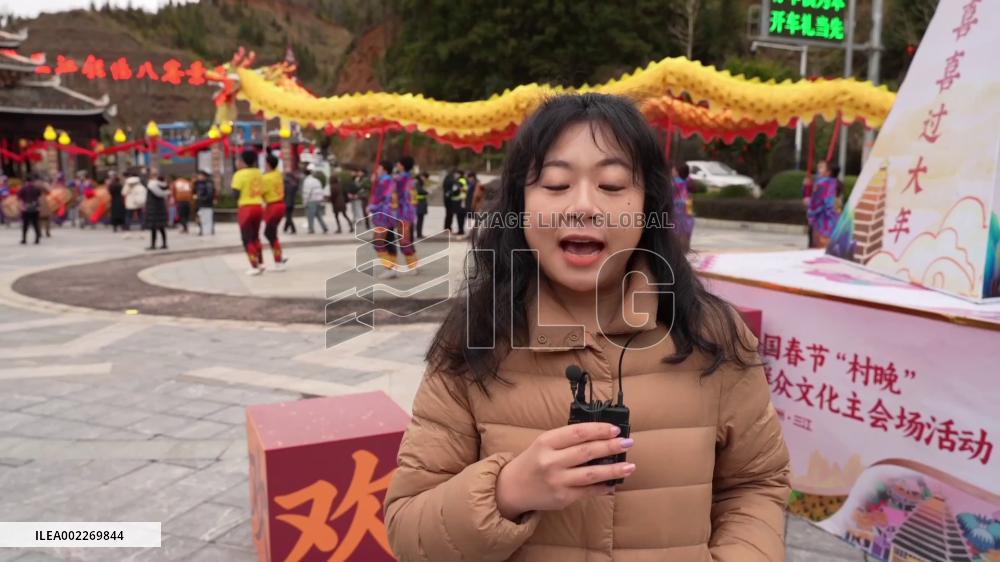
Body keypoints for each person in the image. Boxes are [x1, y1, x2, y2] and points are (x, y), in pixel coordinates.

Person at [384, 94, 790, 562]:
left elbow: (755, 484)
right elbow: (409, 528)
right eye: (556, 184)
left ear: (648, 205)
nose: (583, 206)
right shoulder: (474, 339)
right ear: (519, 204)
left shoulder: (713, 334)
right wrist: (508, 491)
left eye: (613, 185)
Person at [367, 160, 409, 279]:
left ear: (384, 169)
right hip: (390, 215)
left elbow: (380, 199)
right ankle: (392, 268)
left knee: (378, 242)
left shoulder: (384, 181)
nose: (376, 170)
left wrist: (371, 207)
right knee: (389, 241)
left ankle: (390, 267)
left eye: (378, 168)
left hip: (384, 216)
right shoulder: (388, 181)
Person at [232, 150, 266, 274]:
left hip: (246, 208)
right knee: (256, 236)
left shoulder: (239, 174)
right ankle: (261, 262)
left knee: (247, 239)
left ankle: (254, 266)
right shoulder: (259, 173)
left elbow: (235, 194)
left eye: (238, 160)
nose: (237, 162)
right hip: (258, 206)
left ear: (243, 162)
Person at [261, 154, 289, 271]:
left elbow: (261, 192)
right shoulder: (278, 174)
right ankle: (280, 256)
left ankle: (279, 261)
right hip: (280, 205)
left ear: (268, 164)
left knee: (269, 233)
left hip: (273, 206)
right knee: (272, 233)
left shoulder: (266, 178)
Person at [805, 161, 842, 249]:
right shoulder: (836, 183)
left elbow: (815, 205)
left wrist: (810, 216)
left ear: (828, 172)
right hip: (835, 221)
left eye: (821, 167)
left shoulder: (821, 184)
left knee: (818, 249)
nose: (818, 170)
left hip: (822, 223)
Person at [671, 164, 695, 253]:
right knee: (686, 231)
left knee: (676, 231)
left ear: (678, 172)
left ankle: (677, 252)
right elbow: (689, 197)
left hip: (677, 209)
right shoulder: (688, 181)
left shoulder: (675, 183)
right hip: (687, 208)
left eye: (673, 170)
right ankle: (685, 251)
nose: (672, 172)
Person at [143, 174, 169, 250]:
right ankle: (164, 244)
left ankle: (153, 245)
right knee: (162, 227)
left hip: (153, 209)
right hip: (161, 208)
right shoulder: (165, 186)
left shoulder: (151, 186)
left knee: (153, 228)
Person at [301, 166, 329, 234]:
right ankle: (324, 227)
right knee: (319, 215)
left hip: (311, 200)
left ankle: (311, 229)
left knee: (310, 216)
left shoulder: (306, 181)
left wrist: (305, 202)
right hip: (318, 200)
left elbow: (306, 193)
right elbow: (321, 190)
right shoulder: (316, 180)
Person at [18, 173, 43, 244]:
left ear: (26, 181)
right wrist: (39, 207)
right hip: (35, 208)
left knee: (25, 225)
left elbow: (20, 199)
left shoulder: (23, 189)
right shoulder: (36, 188)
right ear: (33, 181)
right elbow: (39, 199)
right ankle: (37, 239)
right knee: (36, 224)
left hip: (26, 208)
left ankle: (24, 239)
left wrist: (21, 207)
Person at [193, 170, 215, 236]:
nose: (199, 177)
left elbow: (210, 194)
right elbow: (194, 192)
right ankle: (201, 230)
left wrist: (201, 198)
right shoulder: (197, 183)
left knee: (207, 218)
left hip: (206, 204)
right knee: (199, 217)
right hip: (200, 204)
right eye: (198, 175)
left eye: (200, 175)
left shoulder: (208, 183)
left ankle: (208, 231)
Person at [282, 169, 300, 234]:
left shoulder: (285, 184)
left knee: (288, 216)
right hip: (292, 202)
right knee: (289, 215)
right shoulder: (294, 183)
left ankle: (293, 229)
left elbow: (283, 194)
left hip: (287, 202)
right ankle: (285, 228)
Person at [414, 171, 429, 238]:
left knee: (420, 219)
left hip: (421, 203)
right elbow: (419, 190)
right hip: (419, 203)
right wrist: (426, 192)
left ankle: (419, 233)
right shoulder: (418, 182)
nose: (425, 179)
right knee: (419, 219)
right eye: (425, 178)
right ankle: (419, 234)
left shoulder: (419, 182)